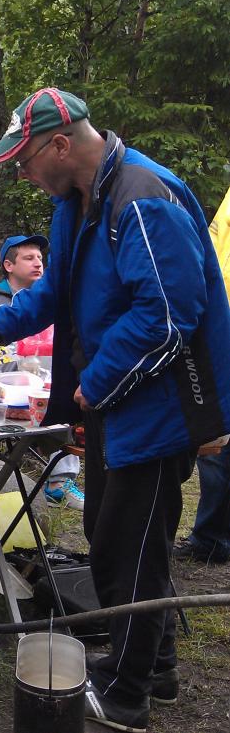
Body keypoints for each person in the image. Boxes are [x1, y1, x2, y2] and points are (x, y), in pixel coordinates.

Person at [0, 87, 230, 733]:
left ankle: (126, 695)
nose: (22, 173)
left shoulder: (142, 198)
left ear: (59, 144)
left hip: (159, 407)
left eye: (24, 160)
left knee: (128, 549)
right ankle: (155, 668)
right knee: (114, 535)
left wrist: (97, 380)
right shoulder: (76, 202)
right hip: (116, 402)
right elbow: (55, 289)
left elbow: (166, 315)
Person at [0, 233, 85, 510]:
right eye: (28, 258)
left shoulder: (55, 302)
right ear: (9, 265)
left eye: (40, 258)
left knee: (61, 413)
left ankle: (59, 484)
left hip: (43, 387)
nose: (38, 263)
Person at [174, 184, 230, 563]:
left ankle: (212, 537)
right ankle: (211, 536)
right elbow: (212, 248)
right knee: (217, 439)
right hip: (220, 330)